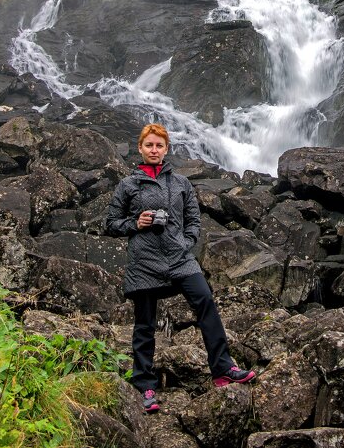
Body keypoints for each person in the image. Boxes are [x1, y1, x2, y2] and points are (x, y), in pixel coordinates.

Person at [106, 123, 255, 412]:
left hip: (179, 257)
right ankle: (145, 386)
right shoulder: (127, 185)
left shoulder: (181, 184)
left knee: (205, 301)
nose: (154, 150)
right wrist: (136, 223)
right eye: (149, 145)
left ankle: (223, 369)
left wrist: (187, 242)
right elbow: (111, 224)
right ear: (140, 148)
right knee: (145, 324)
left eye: (159, 145)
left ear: (166, 149)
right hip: (144, 260)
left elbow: (193, 220)